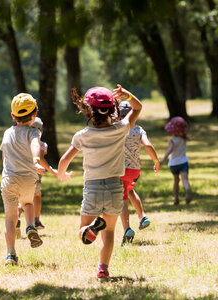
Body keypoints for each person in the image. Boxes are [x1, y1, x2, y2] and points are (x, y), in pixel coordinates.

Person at [58, 85, 142, 279]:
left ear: (88, 110)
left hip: (93, 187)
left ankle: (90, 229)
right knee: (110, 230)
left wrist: (62, 174)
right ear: (112, 109)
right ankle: (103, 268)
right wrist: (127, 95)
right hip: (115, 186)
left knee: (82, 231)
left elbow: (64, 160)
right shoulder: (121, 129)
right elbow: (137, 108)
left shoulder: (82, 135)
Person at [1, 93, 46, 265]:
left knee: (10, 218)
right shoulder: (34, 131)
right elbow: (35, 145)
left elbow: (4, 156)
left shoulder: (7, 133)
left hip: (9, 179)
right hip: (28, 178)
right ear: (35, 114)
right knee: (28, 203)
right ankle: (30, 226)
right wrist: (35, 161)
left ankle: (11, 254)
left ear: (13, 116)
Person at [117, 101, 160, 245]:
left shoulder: (117, 129)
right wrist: (156, 161)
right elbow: (147, 145)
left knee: (122, 199)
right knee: (130, 191)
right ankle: (142, 216)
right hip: (135, 171)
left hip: (120, 170)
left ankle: (127, 229)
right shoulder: (138, 130)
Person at [15, 117, 57, 238]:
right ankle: (36, 220)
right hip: (34, 177)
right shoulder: (42, 145)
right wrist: (50, 169)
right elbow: (40, 158)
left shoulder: (20, 143)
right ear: (41, 131)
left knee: (20, 200)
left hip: (19, 176)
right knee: (35, 197)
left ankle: (17, 219)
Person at [160, 116, 192, 205]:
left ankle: (176, 198)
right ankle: (187, 188)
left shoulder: (172, 140)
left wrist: (163, 159)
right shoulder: (183, 138)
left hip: (174, 164)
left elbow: (169, 150)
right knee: (185, 179)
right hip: (183, 162)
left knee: (176, 181)